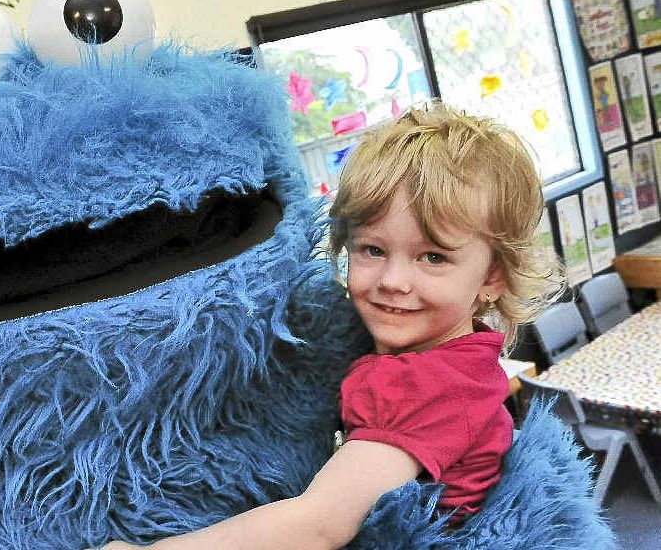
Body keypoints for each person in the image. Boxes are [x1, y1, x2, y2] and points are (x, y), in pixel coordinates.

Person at [103, 102, 564, 549]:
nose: (392, 281)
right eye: (373, 250)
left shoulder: (430, 385)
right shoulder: (447, 358)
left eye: (433, 257)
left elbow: (320, 524)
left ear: (492, 277)